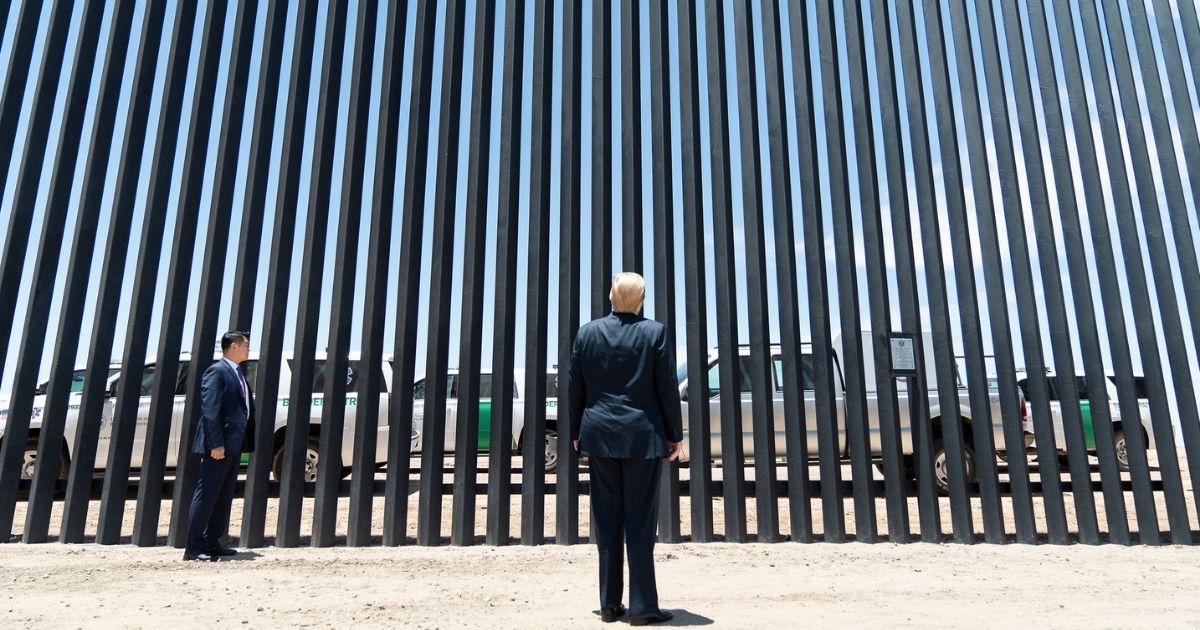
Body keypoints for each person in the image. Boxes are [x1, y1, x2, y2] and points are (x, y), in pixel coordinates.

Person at [568, 272, 684, 626]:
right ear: (642, 299)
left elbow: (575, 386)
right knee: (640, 522)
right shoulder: (654, 333)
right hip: (642, 439)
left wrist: (575, 432)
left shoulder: (587, 333)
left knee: (606, 521)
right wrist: (675, 435)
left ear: (611, 295)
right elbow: (667, 387)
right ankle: (643, 606)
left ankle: (608, 605)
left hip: (599, 436)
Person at [184, 330, 256, 561]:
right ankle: (193, 549)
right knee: (206, 495)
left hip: (233, 446)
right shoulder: (217, 371)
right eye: (245, 345)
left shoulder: (237, 373)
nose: (248, 348)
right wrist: (216, 443)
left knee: (223, 496)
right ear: (233, 347)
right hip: (219, 446)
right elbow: (210, 410)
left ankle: (213, 542)